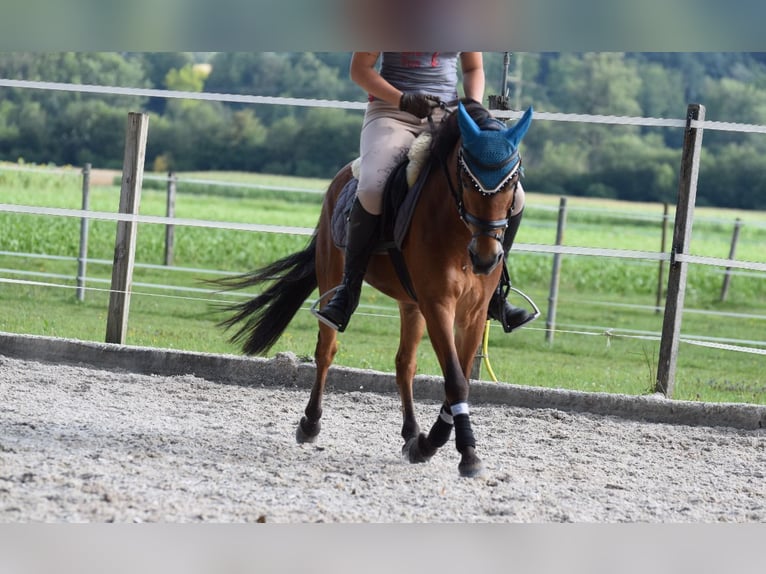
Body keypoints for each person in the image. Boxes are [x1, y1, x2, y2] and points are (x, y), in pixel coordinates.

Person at [316, 52, 532, 333]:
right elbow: (360, 70)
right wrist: (402, 99)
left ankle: (496, 291)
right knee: (371, 187)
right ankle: (348, 290)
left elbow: (473, 68)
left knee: (516, 198)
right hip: (392, 113)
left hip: (451, 115)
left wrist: (472, 106)